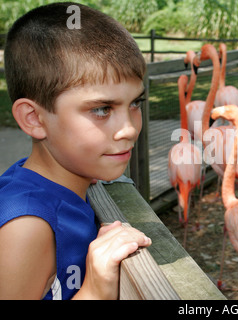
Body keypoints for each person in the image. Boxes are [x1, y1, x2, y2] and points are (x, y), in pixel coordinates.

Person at [0, 2, 151, 299]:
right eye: (102, 109)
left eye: (135, 103)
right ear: (34, 118)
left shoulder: (60, 181)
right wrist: (94, 291)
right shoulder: (26, 227)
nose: (130, 129)